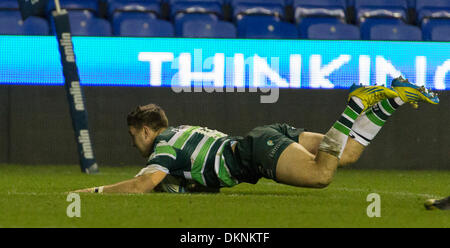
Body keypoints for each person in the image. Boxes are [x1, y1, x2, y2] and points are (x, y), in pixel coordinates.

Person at [73, 77, 439, 194]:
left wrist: (92, 191)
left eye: (134, 135)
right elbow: (184, 184)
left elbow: (141, 186)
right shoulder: (181, 133)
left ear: (148, 130)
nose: (133, 142)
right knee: (346, 153)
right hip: (262, 139)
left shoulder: (164, 147)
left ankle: (355, 104)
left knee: (322, 174)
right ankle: (391, 102)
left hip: (257, 152)